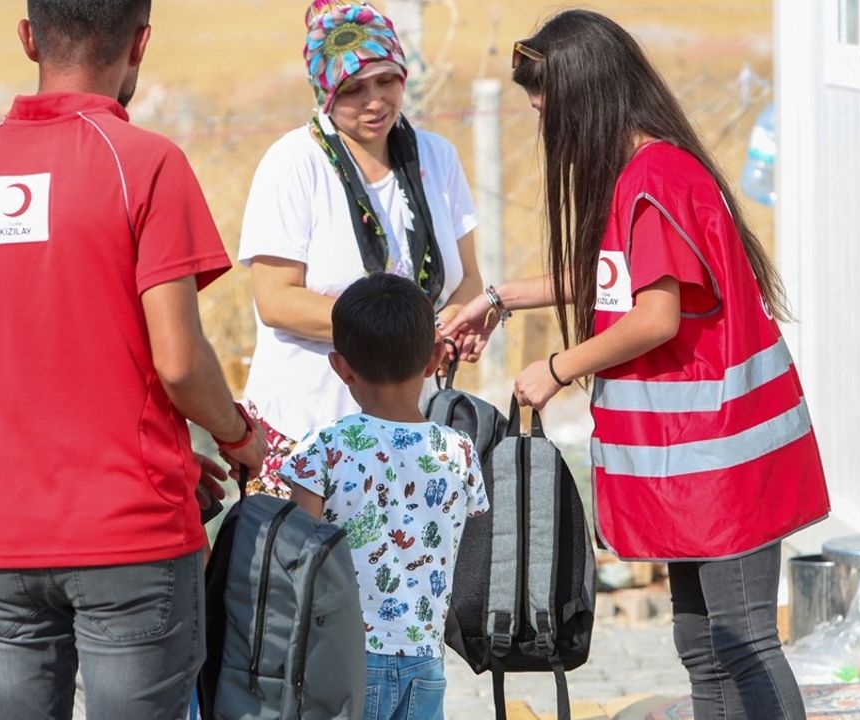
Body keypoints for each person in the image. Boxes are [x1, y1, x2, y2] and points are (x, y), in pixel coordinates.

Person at [444, 10, 829, 720]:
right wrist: (500, 297)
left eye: (544, 109)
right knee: (700, 642)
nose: (541, 126)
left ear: (585, 98)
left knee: (742, 639)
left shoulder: (657, 178)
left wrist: (557, 367)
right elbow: (617, 278)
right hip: (692, 468)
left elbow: (656, 317)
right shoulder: (643, 173)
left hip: (724, 463)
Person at [0, 2, 266, 718]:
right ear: (140, 42)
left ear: (27, 39)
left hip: (1, 533)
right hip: (129, 533)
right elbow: (178, 361)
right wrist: (236, 435)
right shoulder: (146, 162)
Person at [237, 0, 484, 498]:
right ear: (325, 93)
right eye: (353, 89)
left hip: (406, 427)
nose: (375, 101)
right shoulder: (294, 162)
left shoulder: (437, 156)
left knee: (401, 570)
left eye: (387, 80)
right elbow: (277, 299)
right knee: (302, 574)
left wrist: (453, 326)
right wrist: (399, 337)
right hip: (309, 429)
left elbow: (467, 280)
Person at [284, 274, 489, 720]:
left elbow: (296, 556)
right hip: (425, 655)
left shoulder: (323, 449)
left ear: (340, 366)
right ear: (436, 357)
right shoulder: (458, 450)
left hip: (343, 655)